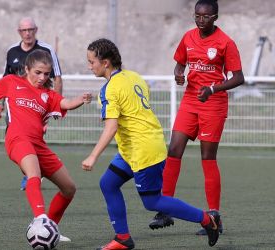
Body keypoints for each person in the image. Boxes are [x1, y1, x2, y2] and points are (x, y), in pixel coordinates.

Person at [0, 49, 92, 242]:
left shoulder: (48, 94)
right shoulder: (11, 82)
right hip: (17, 139)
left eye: (46, 74)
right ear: (27, 69)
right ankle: (40, 219)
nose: (42, 77)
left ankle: (50, 227)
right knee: (33, 174)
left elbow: (66, 103)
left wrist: (81, 99)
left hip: (39, 145)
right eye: (38, 72)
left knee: (69, 188)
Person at [81, 38, 221, 250]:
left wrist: (93, 156)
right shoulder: (133, 76)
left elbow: (111, 127)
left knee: (153, 202)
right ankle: (123, 239)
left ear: (106, 62)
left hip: (143, 149)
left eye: (92, 61)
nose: (89, 66)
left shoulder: (109, 89)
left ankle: (207, 220)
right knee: (108, 183)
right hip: (137, 147)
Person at [149, 0, 244, 235]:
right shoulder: (188, 37)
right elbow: (179, 65)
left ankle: (214, 216)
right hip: (191, 101)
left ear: (215, 17)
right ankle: (165, 209)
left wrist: (213, 89)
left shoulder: (225, 42)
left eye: (206, 17)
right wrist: (179, 75)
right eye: (197, 16)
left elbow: (239, 77)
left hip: (213, 104)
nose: (201, 20)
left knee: (207, 157)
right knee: (173, 150)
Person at [0, 17, 64, 190]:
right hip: (16, 104)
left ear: (36, 30)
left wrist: (55, 106)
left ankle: (33, 175)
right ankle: (31, 173)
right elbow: (6, 78)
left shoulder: (46, 49)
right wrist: (0, 103)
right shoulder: (12, 51)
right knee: (14, 141)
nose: (27, 33)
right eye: (24, 30)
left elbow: (57, 77)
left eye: (31, 30)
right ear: (19, 32)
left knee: (34, 138)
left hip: (41, 103)